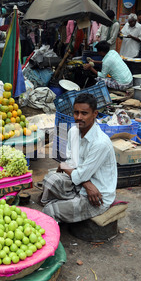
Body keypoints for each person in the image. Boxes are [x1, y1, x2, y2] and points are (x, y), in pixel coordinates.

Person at [40, 93, 117, 223]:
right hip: (82, 184)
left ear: (95, 114)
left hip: (96, 195)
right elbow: (71, 163)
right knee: (49, 180)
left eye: (84, 113)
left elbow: (74, 171)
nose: (79, 117)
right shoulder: (73, 132)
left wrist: (64, 166)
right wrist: (86, 184)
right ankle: (65, 207)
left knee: (49, 211)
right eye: (76, 113)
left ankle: (59, 210)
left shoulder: (100, 143)